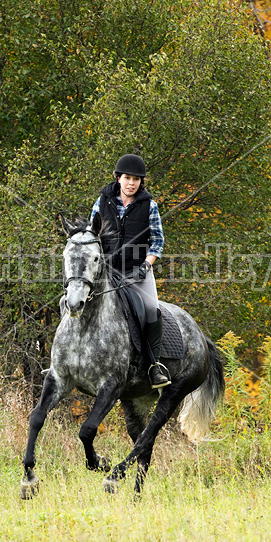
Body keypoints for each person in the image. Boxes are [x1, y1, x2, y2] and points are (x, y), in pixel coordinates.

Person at [90, 154, 171, 389]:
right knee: (75, 301)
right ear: (118, 178)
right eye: (127, 178)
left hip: (137, 271)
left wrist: (145, 266)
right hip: (106, 272)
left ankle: (154, 366)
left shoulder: (150, 206)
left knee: (149, 309)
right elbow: (92, 236)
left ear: (140, 182)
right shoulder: (101, 202)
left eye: (136, 179)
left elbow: (157, 242)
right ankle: (63, 360)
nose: (131, 183)